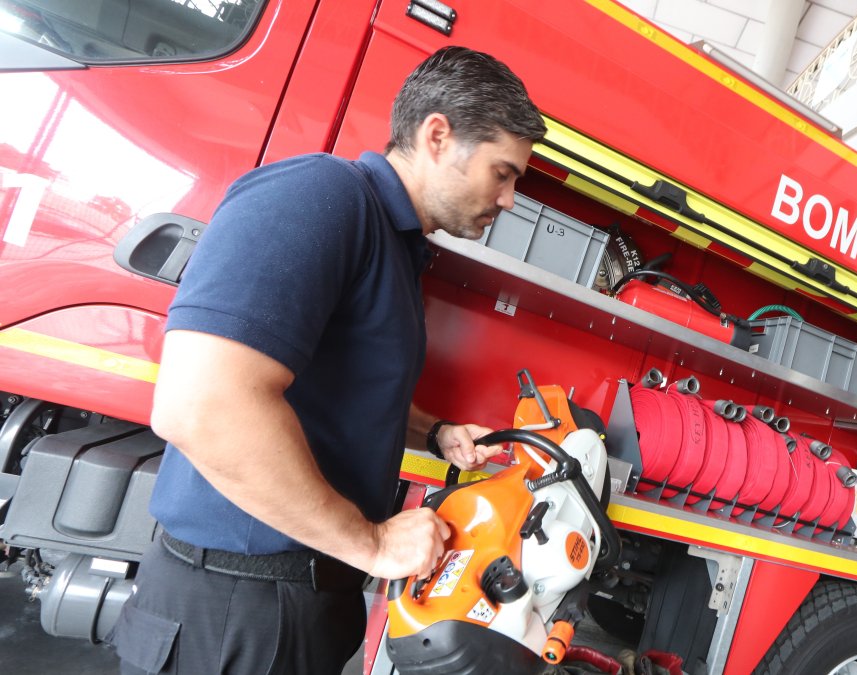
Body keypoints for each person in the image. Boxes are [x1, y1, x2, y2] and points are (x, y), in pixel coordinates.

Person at [106, 46, 547, 674]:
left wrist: (436, 430)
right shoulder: (319, 196)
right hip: (240, 604)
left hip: (298, 598)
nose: (508, 199)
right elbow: (202, 405)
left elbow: (339, 384)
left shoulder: (394, 245)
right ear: (439, 135)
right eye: (504, 172)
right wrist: (368, 542)